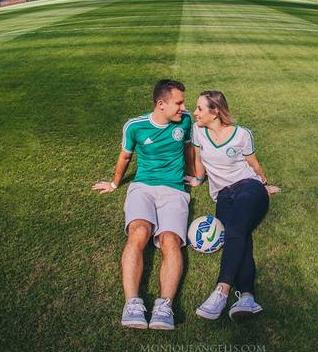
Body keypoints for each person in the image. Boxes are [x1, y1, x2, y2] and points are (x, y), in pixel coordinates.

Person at [93, 79, 194, 330]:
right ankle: (132, 304)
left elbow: (190, 149)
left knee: (170, 240)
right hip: (143, 188)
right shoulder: (135, 126)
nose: (183, 107)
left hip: (174, 190)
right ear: (161, 104)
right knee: (139, 232)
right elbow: (125, 156)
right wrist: (115, 183)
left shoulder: (186, 120)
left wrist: (196, 175)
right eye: (178, 102)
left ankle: (164, 306)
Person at [185, 91, 279, 321]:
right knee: (239, 234)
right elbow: (199, 159)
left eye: (199, 108)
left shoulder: (241, 134)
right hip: (223, 195)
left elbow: (253, 163)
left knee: (236, 228)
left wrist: (264, 184)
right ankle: (247, 297)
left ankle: (222, 290)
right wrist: (198, 179)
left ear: (215, 111)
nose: (195, 112)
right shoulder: (198, 130)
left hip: (248, 187)